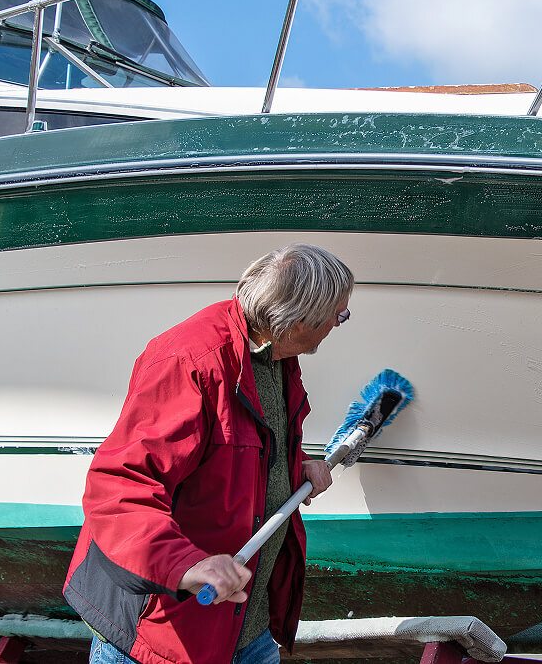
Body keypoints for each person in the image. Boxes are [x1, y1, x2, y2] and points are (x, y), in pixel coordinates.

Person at [63, 243, 353, 664]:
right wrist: (186, 566)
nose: (338, 325)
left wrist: (295, 464)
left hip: (245, 629)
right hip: (161, 635)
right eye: (339, 316)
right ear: (297, 321)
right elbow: (119, 487)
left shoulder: (273, 353)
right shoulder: (190, 361)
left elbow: (239, 448)